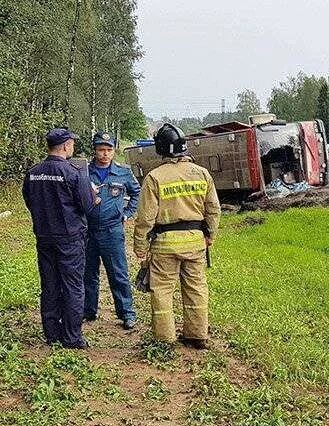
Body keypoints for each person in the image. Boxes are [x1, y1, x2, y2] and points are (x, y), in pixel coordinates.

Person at [133, 123, 221, 349]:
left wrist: (140, 247)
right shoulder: (202, 174)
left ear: (160, 149)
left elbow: (145, 218)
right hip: (195, 242)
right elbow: (213, 209)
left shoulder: (154, 177)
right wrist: (209, 234)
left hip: (164, 245)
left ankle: (165, 339)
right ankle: (198, 335)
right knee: (196, 288)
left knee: (162, 290)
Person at [22, 128, 95, 349]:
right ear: (65, 146)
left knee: (50, 285)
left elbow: (29, 200)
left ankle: (52, 334)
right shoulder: (74, 173)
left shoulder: (33, 172)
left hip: (44, 237)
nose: (72, 147)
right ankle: (72, 338)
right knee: (73, 286)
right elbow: (86, 205)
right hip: (70, 238)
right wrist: (94, 197)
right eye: (71, 143)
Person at [83, 132, 141, 330]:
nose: (105, 154)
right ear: (95, 150)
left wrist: (127, 213)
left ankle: (126, 313)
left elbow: (137, 192)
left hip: (112, 230)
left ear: (114, 151)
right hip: (87, 231)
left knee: (118, 273)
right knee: (87, 273)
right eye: (101, 150)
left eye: (109, 150)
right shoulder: (83, 172)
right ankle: (87, 310)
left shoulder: (123, 172)